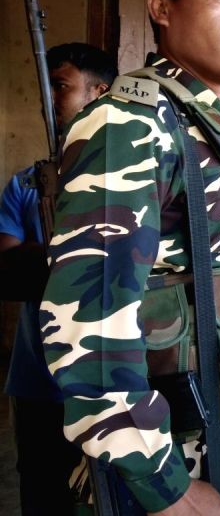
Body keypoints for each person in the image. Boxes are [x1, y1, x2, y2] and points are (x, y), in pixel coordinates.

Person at [39, 0, 220, 514]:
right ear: (160, 6)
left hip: (210, 436)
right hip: (161, 463)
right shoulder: (129, 125)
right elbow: (88, 326)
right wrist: (166, 489)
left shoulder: (197, 123)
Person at [1, 42, 116, 516]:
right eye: (47, 86)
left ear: (99, 93)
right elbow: (6, 270)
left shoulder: (127, 181)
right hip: (39, 379)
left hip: (115, 381)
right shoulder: (26, 184)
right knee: (42, 495)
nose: (51, 98)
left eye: (62, 86)